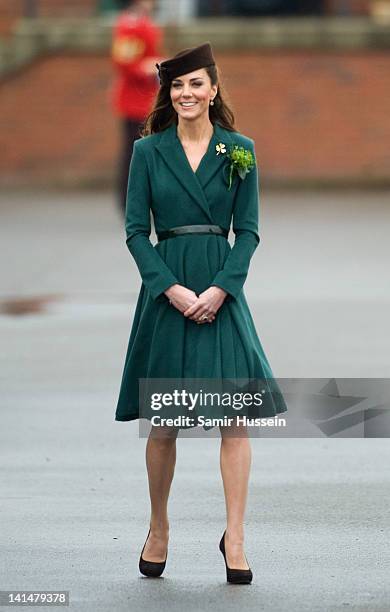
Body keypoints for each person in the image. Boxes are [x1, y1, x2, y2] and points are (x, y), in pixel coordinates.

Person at [115, 42, 288, 584]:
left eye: (196, 84)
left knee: (234, 419)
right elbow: (135, 232)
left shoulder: (241, 150)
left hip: (220, 292)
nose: (186, 94)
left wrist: (220, 289)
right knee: (164, 422)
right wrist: (169, 289)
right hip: (167, 293)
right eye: (177, 85)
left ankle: (234, 537)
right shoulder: (148, 151)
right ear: (169, 93)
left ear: (214, 89)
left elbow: (251, 230)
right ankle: (159, 528)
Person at [111, 0, 162, 215]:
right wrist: (150, 67)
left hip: (145, 100)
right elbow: (125, 63)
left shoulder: (140, 22)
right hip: (135, 101)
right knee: (135, 154)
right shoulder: (130, 25)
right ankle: (130, 203)